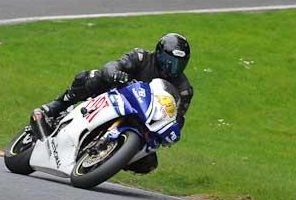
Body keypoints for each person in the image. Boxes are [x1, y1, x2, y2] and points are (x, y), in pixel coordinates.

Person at [32, 32, 194, 174]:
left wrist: (170, 129)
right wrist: (116, 74)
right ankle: (55, 107)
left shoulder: (184, 90)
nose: (172, 67)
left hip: (143, 120)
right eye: (169, 61)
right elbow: (112, 66)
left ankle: (109, 159)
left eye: (178, 64)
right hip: (117, 97)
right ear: (158, 53)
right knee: (91, 77)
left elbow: (177, 117)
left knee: (148, 163)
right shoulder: (141, 57)